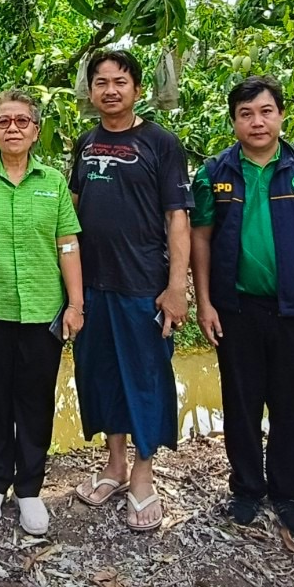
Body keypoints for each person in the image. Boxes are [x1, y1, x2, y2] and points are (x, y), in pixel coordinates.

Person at [189, 76, 294, 541]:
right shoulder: (213, 172)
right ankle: (247, 489)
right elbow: (200, 238)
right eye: (246, 114)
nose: (257, 122)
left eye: (266, 111)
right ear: (234, 121)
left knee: (292, 405)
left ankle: (288, 495)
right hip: (237, 309)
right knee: (241, 403)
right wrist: (205, 303)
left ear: (280, 115)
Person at [0, 89, 83, 537]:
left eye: (22, 121)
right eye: (3, 121)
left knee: (35, 398)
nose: (12, 128)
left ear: (36, 130)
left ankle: (29, 488)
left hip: (44, 309)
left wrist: (76, 303)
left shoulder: (53, 182)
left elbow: (67, 244)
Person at [69, 50, 193, 531]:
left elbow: (177, 218)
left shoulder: (161, 143)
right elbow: (71, 211)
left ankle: (143, 475)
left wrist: (176, 286)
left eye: (120, 82)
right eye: (101, 82)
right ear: (91, 90)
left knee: (145, 378)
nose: (110, 90)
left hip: (142, 284)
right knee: (102, 377)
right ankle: (114, 466)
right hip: (91, 285)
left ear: (137, 89)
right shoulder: (84, 144)